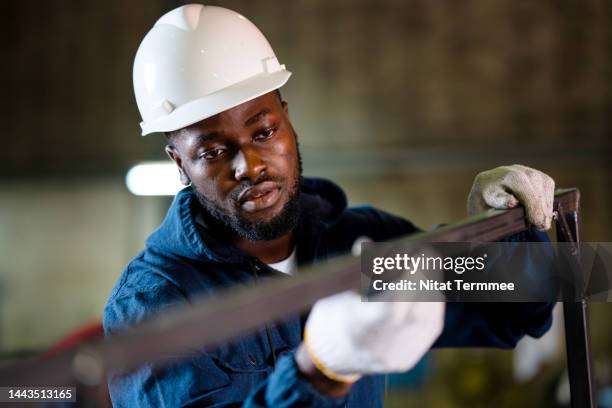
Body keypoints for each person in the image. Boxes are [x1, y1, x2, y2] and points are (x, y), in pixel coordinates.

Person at [103, 4, 557, 407]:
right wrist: (318, 372)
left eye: (264, 133)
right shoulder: (153, 305)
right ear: (179, 163)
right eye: (213, 152)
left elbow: (511, 314)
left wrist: (507, 231)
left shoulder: (362, 243)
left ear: (288, 123)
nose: (250, 165)